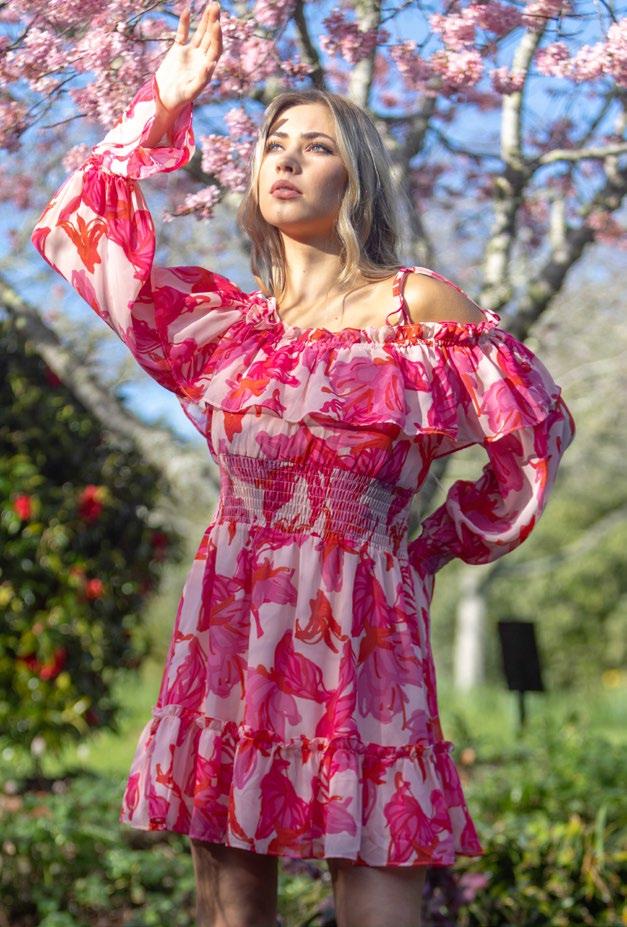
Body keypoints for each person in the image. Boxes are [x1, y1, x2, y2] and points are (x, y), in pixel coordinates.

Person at [31, 3, 576, 926]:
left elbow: (534, 433)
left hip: (366, 626)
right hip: (232, 613)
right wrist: (164, 103)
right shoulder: (223, 330)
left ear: (354, 177)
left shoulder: (418, 307)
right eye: (273, 145)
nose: (285, 160)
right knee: (233, 906)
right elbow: (76, 226)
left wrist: (430, 546)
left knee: (377, 886)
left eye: (315, 147)